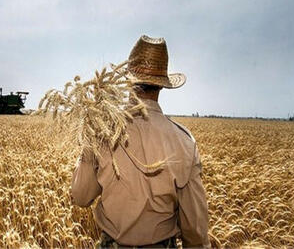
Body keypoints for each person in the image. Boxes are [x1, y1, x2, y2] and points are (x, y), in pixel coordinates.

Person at [71, 35, 210, 248]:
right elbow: (195, 230)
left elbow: (81, 197)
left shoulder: (102, 133)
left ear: (127, 81)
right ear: (162, 86)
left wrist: (89, 143)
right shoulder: (184, 142)